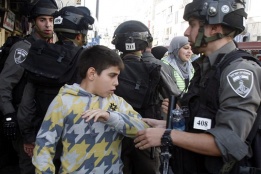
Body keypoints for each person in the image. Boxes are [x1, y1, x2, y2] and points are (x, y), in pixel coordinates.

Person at [134, 0, 261, 173]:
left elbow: (227, 142)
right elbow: (204, 123)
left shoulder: (238, 71)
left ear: (215, 28)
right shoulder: (207, 67)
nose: (186, 32)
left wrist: (168, 136)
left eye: (192, 25)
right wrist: (166, 125)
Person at [32, 45, 149, 173]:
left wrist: (111, 117)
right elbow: (43, 146)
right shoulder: (63, 101)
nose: (117, 82)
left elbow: (144, 130)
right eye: (112, 75)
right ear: (92, 73)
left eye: (117, 76)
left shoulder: (117, 102)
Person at [17, 5, 94, 173]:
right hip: (76, 142)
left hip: (41, 136)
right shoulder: (89, 61)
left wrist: (28, 137)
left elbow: (26, 105)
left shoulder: (39, 53)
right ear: (80, 35)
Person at [0, 0, 58, 173]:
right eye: (42, 20)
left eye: (51, 20)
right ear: (33, 22)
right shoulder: (23, 49)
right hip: (23, 122)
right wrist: (9, 115)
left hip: (41, 123)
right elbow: (4, 85)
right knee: (29, 167)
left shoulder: (50, 48)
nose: (48, 25)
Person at [112, 20, 176, 174]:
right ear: (145, 43)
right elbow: (175, 99)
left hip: (114, 133)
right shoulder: (156, 68)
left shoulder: (108, 68)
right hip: (146, 135)